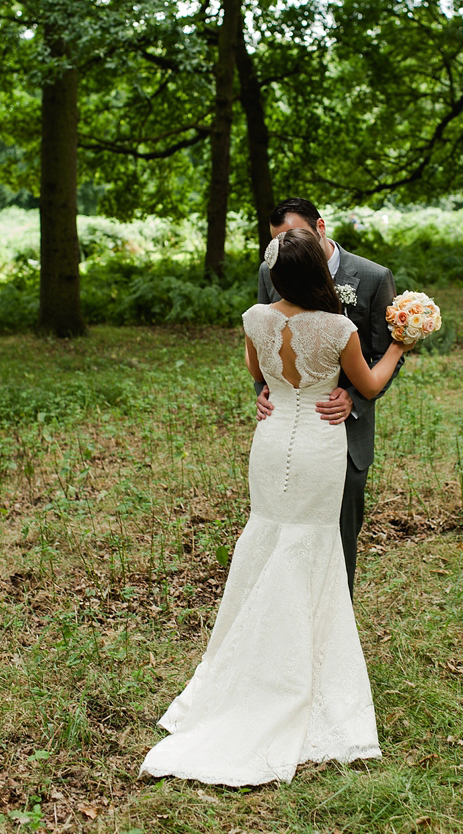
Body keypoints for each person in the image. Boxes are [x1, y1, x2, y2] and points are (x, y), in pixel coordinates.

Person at [139, 229, 414, 787]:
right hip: (318, 443)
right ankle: (295, 675)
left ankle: (250, 665)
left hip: (270, 445)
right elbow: (369, 382)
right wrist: (401, 346)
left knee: (267, 539)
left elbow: (257, 376)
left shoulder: (254, 318)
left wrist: (277, 388)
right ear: (319, 272)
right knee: (311, 545)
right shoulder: (338, 328)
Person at [257, 198, 402, 598]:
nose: (282, 251)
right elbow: (267, 344)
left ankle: (333, 627)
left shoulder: (372, 277)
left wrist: (354, 398)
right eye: (275, 243)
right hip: (283, 430)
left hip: (343, 432)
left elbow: (378, 351)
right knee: (283, 532)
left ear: (320, 228)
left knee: (337, 539)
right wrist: (266, 390)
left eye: (291, 238)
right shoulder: (271, 270)